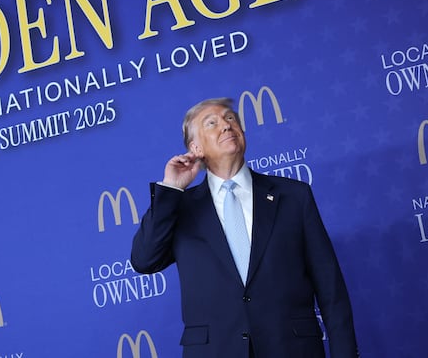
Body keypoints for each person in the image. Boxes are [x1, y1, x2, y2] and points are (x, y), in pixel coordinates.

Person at [130, 97, 358, 358]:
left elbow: (331, 289)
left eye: (230, 119)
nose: (226, 126)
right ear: (195, 147)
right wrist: (171, 189)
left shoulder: (294, 196)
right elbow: (144, 260)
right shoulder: (180, 210)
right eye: (212, 123)